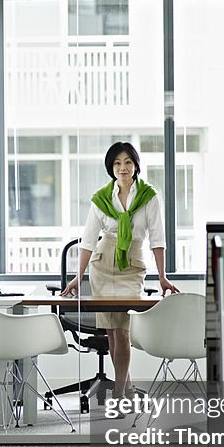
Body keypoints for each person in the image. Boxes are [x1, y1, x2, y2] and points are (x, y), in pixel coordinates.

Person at [62, 141, 179, 399]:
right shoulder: (102, 198)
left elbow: (157, 239)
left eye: (127, 162)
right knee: (112, 331)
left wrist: (162, 276)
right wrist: (77, 278)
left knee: (122, 329)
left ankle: (119, 393)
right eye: (117, 163)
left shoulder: (149, 196)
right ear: (111, 167)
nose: (122, 167)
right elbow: (89, 240)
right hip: (102, 265)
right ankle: (124, 388)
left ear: (136, 166)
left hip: (132, 264)